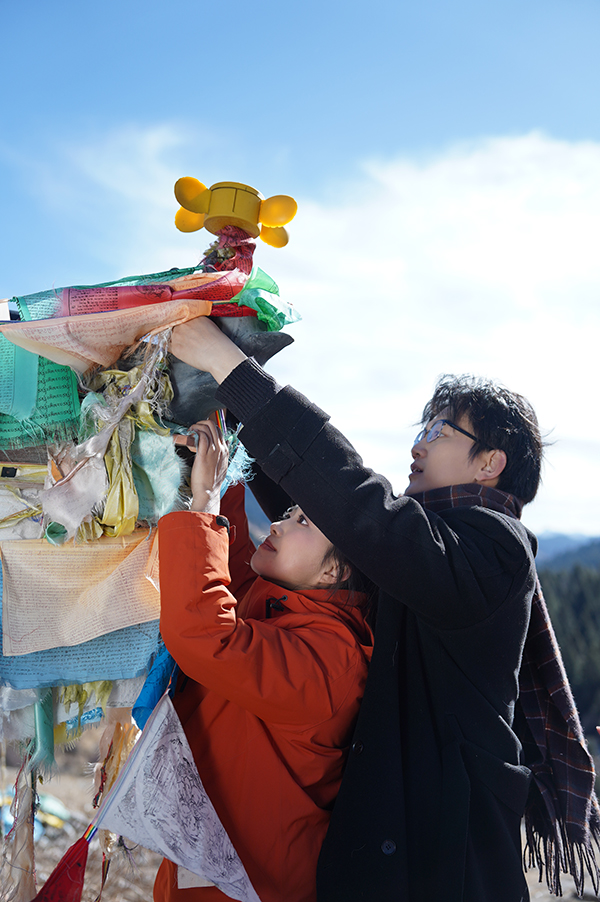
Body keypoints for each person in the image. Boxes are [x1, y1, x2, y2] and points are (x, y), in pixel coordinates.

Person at [168, 317, 600, 902]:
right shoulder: (426, 547)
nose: (419, 443)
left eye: (441, 430)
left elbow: (359, 510)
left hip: (447, 860)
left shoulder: (494, 547)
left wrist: (234, 372)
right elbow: (325, 513)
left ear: (490, 463)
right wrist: (229, 415)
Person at [154, 419, 374, 902]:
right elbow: (220, 563)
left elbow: (206, 633)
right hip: (216, 860)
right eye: (289, 511)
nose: (277, 523)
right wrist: (212, 465)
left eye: (302, 523)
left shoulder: (332, 661)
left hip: (255, 883)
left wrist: (206, 503)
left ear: (335, 569)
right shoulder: (281, 602)